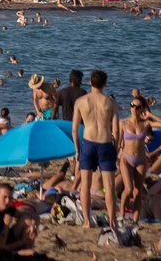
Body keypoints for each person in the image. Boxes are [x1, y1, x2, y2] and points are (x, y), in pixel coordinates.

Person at [70, 68, 118, 228]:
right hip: (105, 143)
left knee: (85, 185)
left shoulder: (81, 102)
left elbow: (75, 129)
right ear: (105, 84)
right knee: (109, 186)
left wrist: (77, 149)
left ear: (90, 82)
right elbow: (116, 130)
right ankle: (112, 221)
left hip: (88, 143)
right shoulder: (110, 102)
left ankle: (87, 221)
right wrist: (117, 148)